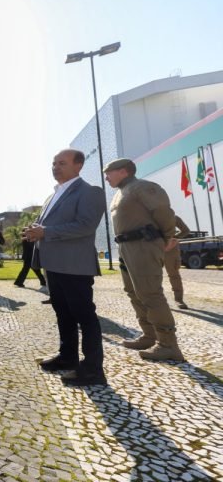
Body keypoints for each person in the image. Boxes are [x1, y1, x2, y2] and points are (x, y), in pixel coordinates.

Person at [25, 149, 107, 386]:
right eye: (53, 163)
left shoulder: (90, 191)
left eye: (61, 163)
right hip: (53, 264)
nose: (55, 167)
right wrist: (35, 231)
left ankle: (92, 370)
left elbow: (85, 226)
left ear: (78, 165)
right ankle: (67, 357)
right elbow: (47, 225)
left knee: (85, 316)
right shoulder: (53, 195)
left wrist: (46, 232)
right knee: (63, 314)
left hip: (74, 265)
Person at [104, 158, 184, 362]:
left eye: (109, 172)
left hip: (143, 244)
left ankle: (168, 345)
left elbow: (164, 213)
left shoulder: (143, 187)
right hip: (126, 247)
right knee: (133, 292)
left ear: (123, 171)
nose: (106, 177)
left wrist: (167, 238)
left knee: (150, 293)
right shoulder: (120, 193)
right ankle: (150, 336)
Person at [164, 216, 190, 309]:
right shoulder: (150, 217)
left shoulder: (173, 217)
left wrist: (174, 238)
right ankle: (158, 301)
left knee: (174, 275)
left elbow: (186, 230)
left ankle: (179, 300)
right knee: (154, 276)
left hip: (171, 249)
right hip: (155, 249)